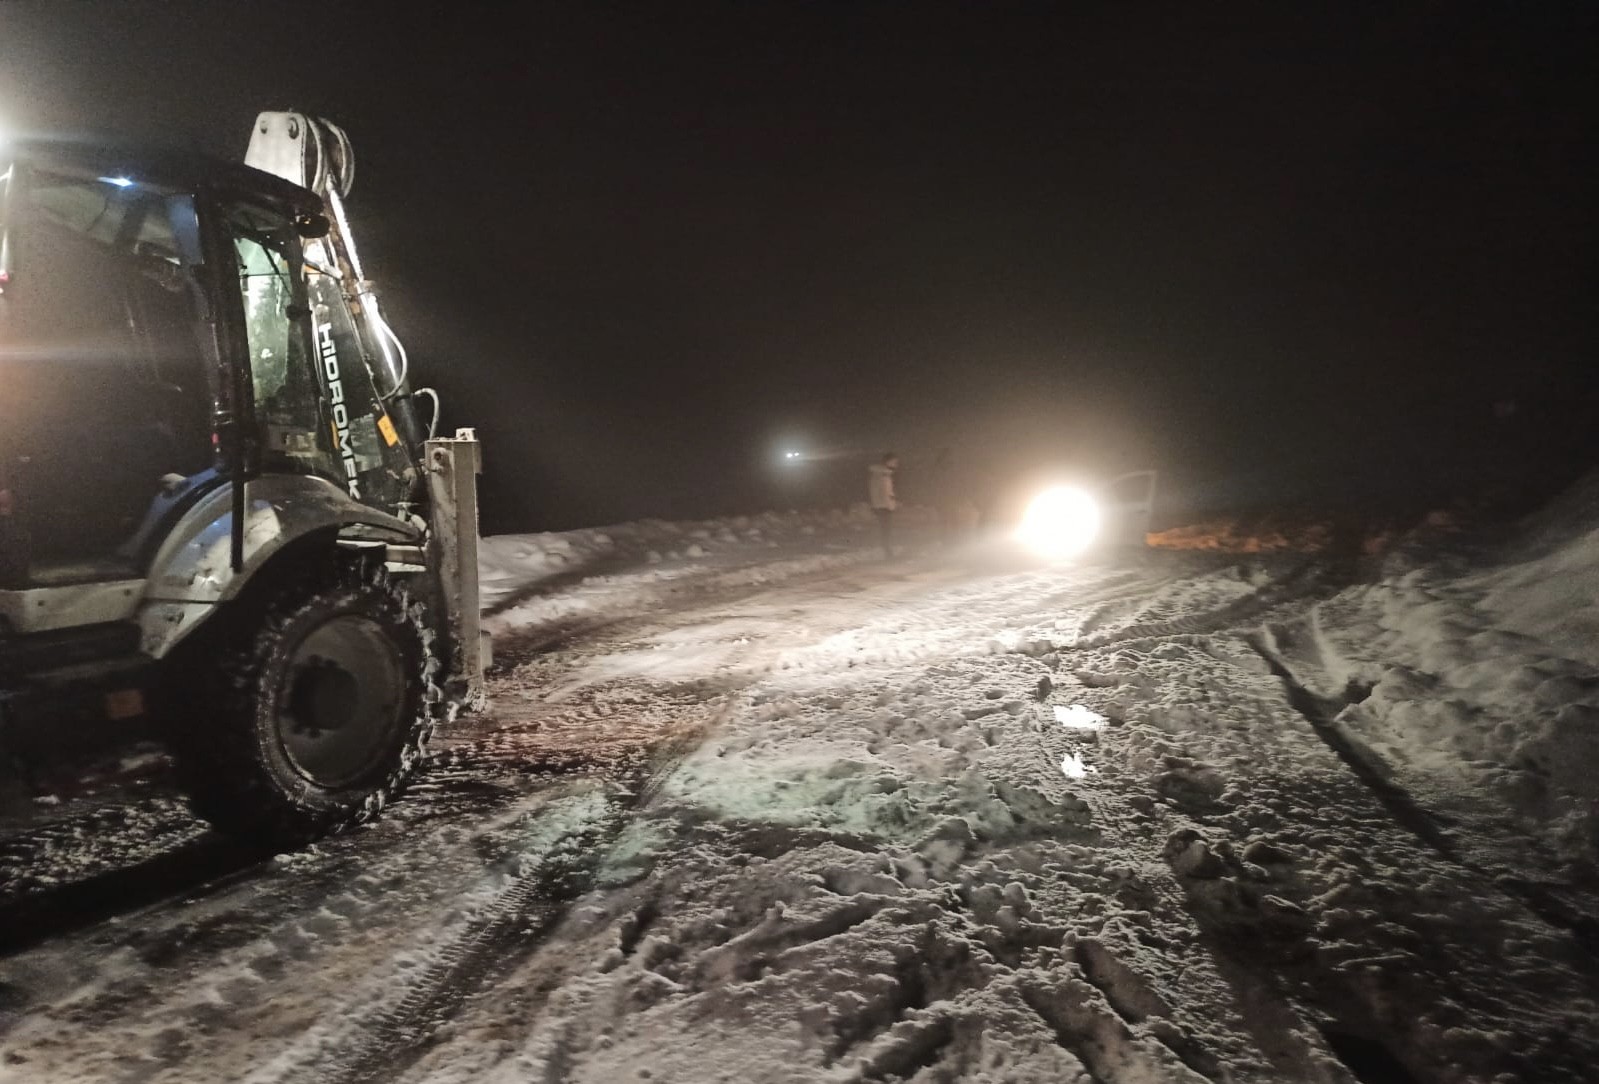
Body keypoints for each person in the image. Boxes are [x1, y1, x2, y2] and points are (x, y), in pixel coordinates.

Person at [867, 452, 899, 558]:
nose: (896, 464)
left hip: (885, 506)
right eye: (894, 462)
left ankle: (887, 551)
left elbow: (887, 492)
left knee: (886, 529)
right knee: (885, 530)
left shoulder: (885, 474)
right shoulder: (880, 474)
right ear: (888, 461)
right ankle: (887, 552)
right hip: (883, 506)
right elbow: (878, 491)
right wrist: (885, 504)